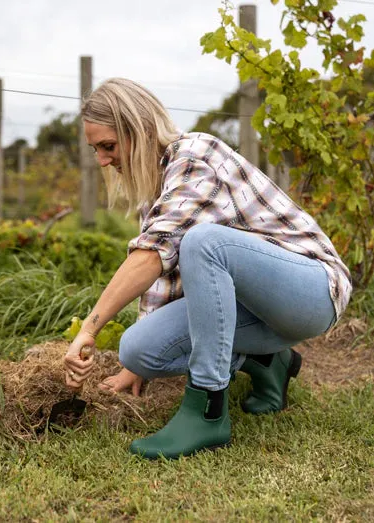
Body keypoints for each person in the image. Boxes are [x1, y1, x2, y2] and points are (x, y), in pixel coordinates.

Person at [64, 78, 352, 460]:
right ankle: (268, 360)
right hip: (256, 307)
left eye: (108, 146)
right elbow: (161, 278)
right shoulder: (156, 188)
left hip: (312, 291)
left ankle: (208, 410)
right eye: (95, 149)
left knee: (204, 241)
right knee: (137, 349)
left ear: (140, 129)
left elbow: (150, 256)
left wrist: (90, 327)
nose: (102, 159)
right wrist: (140, 366)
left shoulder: (193, 157)